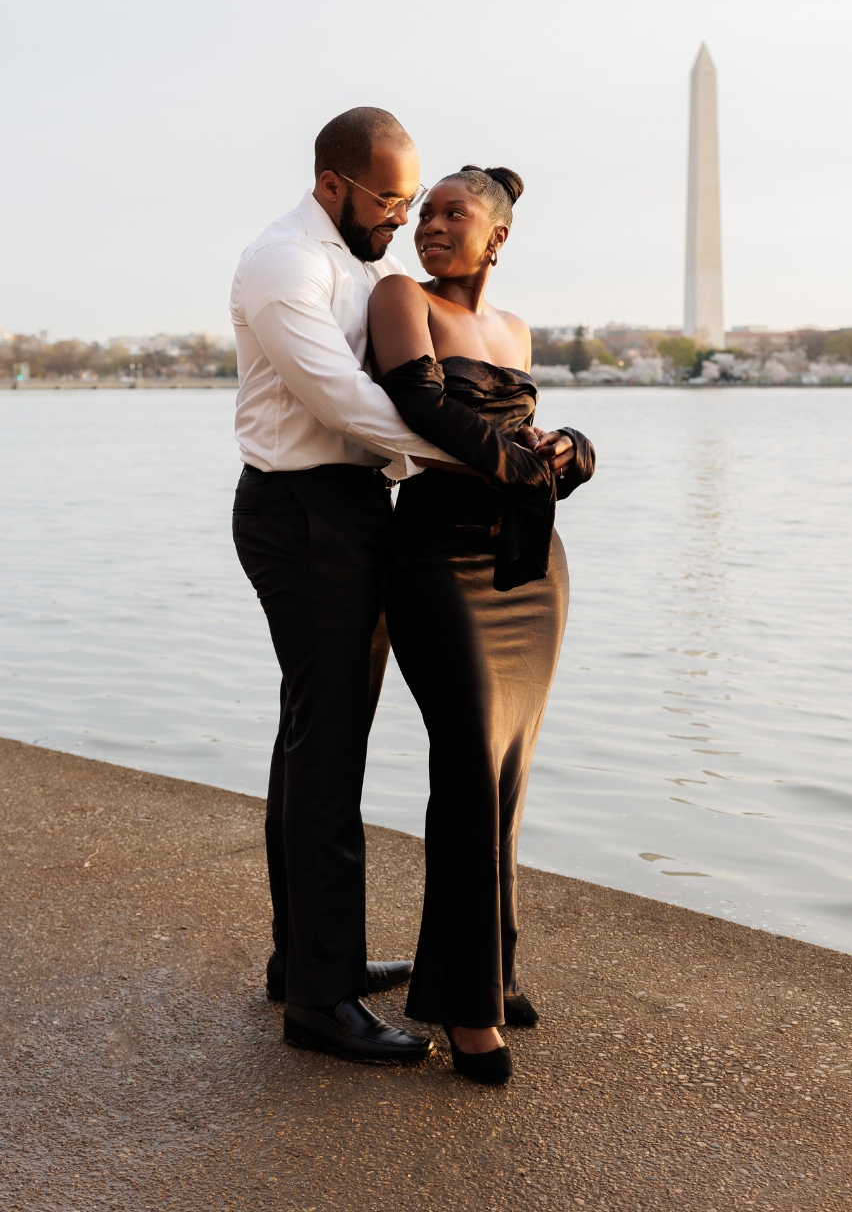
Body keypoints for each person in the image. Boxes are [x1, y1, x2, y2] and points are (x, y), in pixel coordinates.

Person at [229, 106, 453, 1065]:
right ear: (334, 185)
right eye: (391, 198)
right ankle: (320, 1001)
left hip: (344, 508)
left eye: (410, 197)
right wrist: (469, 456)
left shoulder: (354, 262)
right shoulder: (287, 263)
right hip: (304, 513)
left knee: (311, 737)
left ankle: (308, 960)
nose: (402, 216)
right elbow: (343, 401)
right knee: (327, 755)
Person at [366, 166, 596, 1086]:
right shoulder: (400, 299)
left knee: (506, 768)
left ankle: (486, 969)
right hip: (437, 558)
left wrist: (568, 450)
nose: (430, 224)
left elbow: (517, 429)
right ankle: (466, 1009)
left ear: (495, 235)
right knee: (465, 762)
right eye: (423, 212)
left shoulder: (515, 329)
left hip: (530, 567)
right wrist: (518, 461)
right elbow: (419, 406)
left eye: (451, 213)